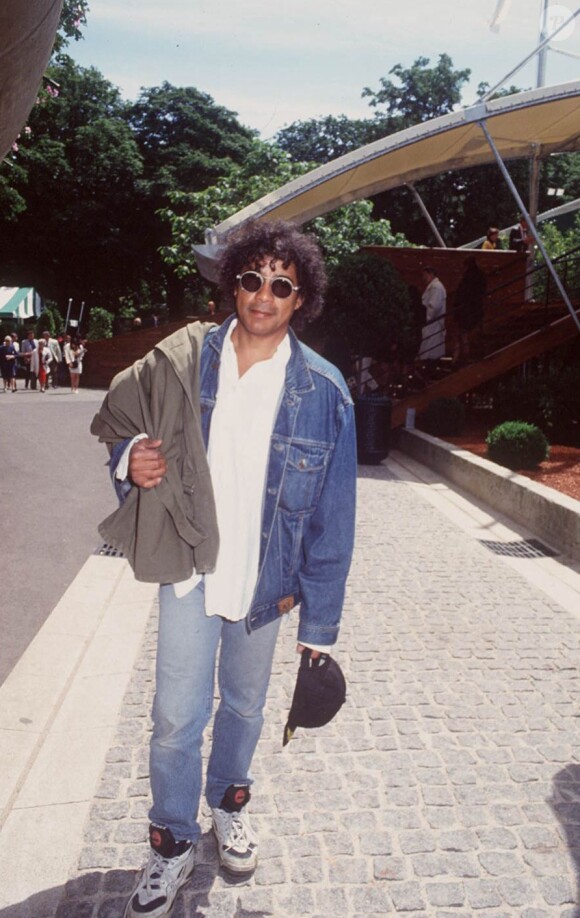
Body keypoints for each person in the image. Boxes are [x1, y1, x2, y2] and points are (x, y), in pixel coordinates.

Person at [91, 220, 357, 918]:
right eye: (251, 279)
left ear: (300, 299)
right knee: (176, 717)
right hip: (190, 568)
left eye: (280, 284)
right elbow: (120, 422)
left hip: (267, 587)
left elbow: (334, 516)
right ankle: (172, 839)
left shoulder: (325, 392)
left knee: (243, 706)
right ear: (231, 283)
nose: (263, 295)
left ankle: (229, 802)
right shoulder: (185, 361)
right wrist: (129, 464)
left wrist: (321, 627)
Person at [452, 256, 487, 365]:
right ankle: (463, 357)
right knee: (465, 334)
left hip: (465, 310)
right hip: (476, 308)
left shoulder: (467, 278)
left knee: (462, 334)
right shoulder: (481, 276)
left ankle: (459, 358)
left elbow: (461, 293)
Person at [416, 266, 447, 367]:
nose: (423, 278)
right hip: (430, 324)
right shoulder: (434, 287)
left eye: (425, 275)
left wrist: (425, 317)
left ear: (431, 274)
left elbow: (434, 306)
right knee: (429, 350)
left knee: (430, 351)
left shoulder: (436, 287)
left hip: (432, 323)